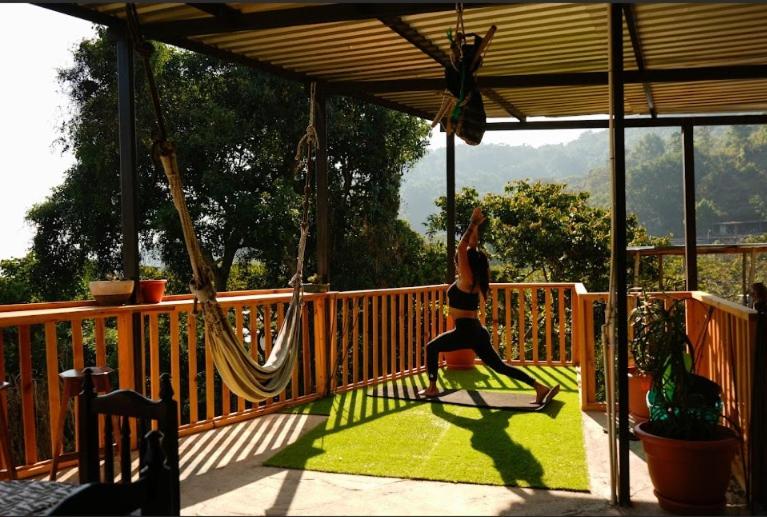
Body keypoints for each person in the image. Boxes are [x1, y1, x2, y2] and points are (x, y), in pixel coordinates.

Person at [418, 207, 560, 404]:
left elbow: (462, 249)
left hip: (465, 331)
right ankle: (539, 387)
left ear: (465, 264)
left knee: (431, 347)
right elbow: (471, 247)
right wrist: (476, 227)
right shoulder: (474, 279)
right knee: (499, 366)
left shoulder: (467, 280)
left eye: (460, 261)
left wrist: (472, 224)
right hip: (476, 330)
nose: (458, 262)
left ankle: (432, 388)